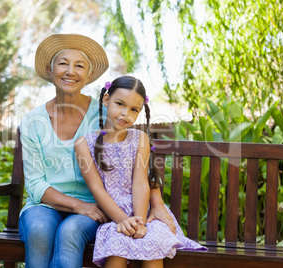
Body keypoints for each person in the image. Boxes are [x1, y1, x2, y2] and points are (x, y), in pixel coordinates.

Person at [18, 34, 178, 268]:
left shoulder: (107, 112)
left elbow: (135, 162)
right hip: (45, 206)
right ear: (49, 69)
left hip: (99, 206)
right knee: (40, 230)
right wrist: (77, 206)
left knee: (70, 231)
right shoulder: (32, 121)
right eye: (63, 63)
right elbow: (34, 184)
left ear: (89, 75)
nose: (70, 71)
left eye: (79, 66)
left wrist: (157, 203)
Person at [75, 75, 207, 268]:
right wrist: (124, 221)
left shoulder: (141, 139)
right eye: (119, 104)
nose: (125, 114)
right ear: (106, 100)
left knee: (152, 244)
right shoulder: (84, 144)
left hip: (144, 214)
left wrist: (140, 223)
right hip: (114, 214)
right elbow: (97, 189)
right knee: (117, 245)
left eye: (133, 109)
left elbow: (140, 183)